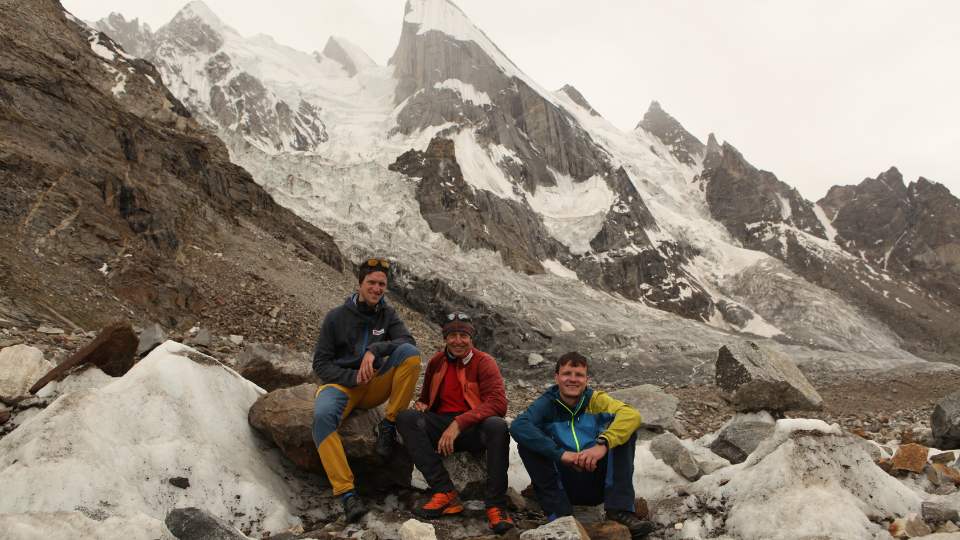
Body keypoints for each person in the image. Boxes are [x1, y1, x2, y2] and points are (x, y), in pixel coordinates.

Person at [311, 258, 422, 523]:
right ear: (360, 283)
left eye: (381, 284)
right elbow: (320, 364)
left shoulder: (388, 315)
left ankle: (389, 424)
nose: (376, 288)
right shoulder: (336, 317)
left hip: (373, 384)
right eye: (371, 282)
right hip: (341, 386)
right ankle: (347, 494)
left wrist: (375, 350)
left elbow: (407, 342)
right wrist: (352, 376)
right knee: (322, 418)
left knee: (410, 355)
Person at [510, 351, 655, 539]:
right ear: (557, 377)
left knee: (625, 434)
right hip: (564, 484)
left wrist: (602, 444)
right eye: (567, 373)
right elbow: (519, 426)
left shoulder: (596, 400)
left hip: (597, 481)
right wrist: (562, 454)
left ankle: (619, 510)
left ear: (586, 379)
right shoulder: (547, 404)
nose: (573, 379)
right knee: (527, 443)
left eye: (578, 375)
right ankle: (560, 515)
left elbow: (632, 416)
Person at [395, 312, 515, 535]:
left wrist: (459, 423)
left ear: (471, 338)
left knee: (497, 426)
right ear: (445, 338)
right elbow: (426, 397)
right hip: (442, 425)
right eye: (452, 335)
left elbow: (498, 403)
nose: (458, 340)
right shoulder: (437, 361)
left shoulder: (484, 362)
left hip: (473, 427)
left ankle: (496, 505)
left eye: (463, 335)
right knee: (406, 418)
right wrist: (422, 405)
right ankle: (444, 491)